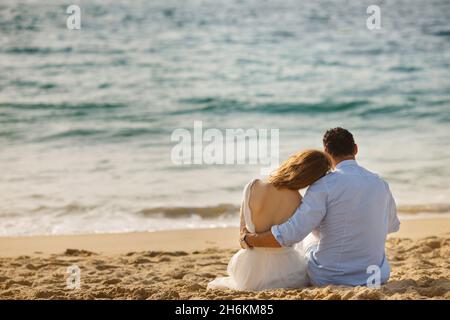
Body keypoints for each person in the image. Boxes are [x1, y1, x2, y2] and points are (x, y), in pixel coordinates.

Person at [242, 127, 400, 286]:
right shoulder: (380, 184)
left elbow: (291, 234)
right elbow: (391, 226)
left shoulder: (323, 185)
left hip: (329, 278)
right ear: (355, 149)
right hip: (376, 276)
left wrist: (248, 239)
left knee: (308, 236)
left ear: (326, 152)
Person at [207, 150, 331, 291]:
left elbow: (242, 236)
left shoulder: (254, 186)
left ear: (294, 162)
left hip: (249, 271)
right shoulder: (299, 202)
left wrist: (246, 239)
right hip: (286, 272)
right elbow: (291, 237)